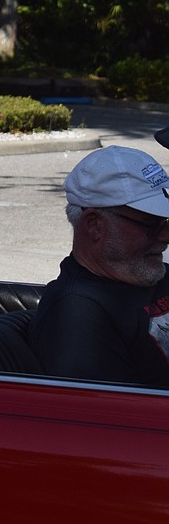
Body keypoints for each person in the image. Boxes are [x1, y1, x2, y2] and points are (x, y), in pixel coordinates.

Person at [29, 145, 169, 388]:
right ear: (94, 225)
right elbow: (115, 417)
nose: (166, 236)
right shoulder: (77, 312)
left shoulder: (149, 274)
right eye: (151, 225)